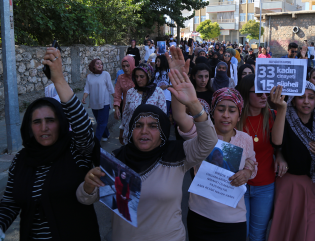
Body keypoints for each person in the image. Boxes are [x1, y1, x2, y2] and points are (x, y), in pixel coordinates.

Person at [77, 65, 218, 241]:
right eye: (138, 125)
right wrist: (88, 185)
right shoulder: (116, 159)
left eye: (153, 126)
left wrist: (194, 104)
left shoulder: (177, 155)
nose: (144, 131)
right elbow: (86, 198)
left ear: (163, 132)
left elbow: (208, 142)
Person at [0, 46, 100, 240]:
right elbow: (9, 204)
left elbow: (85, 131)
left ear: (61, 123)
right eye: (37, 122)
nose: (44, 127)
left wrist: (58, 79)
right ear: (29, 127)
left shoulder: (76, 150)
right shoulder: (21, 160)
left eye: (50, 120)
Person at [172, 87, 257, 241]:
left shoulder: (245, 139)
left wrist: (247, 173)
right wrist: (178, 87)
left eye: (232, 110)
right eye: (221, 109)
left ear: (239, 116)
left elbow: (252, 162)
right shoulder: (200, 134)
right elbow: (179, 116)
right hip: (200, 216)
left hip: (234, 220)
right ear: (212, 112)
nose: (225, 115)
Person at [268, 81, 315, 241]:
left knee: (309, 230)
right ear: (293, 100)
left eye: (311, 97)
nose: (307, 101)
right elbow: (276, 142)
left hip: (314, 185)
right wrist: (279, 154)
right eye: (301, 97)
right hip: (288, 185)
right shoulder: (284, 121)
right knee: (285, 229)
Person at [236, 75, 287, 241]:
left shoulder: (272, 116)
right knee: (240, 234)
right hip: (239, 185)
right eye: (259, 93)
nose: (264, 96)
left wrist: (279, 155)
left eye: (266, 92)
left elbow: (277, 143)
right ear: (245, 94)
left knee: (257, 235)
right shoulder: (234, 119)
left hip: (265, 185)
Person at [119, 63, 166, 144]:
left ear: (149, 76)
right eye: (136, 77)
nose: (138, 80)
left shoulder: (158, 92)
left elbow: (163, 116)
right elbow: (126, 114)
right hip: (131, 133)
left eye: (142, 76)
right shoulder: (131, 92)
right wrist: (121, 131)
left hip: (149, 136)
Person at [82, 59, 114, 142]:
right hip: (94, 103)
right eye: (97, 64)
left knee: (101, 122)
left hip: (104, 102)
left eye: (101, 64)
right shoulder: (89, 76)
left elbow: (110, 88)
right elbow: (87, 89)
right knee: (100, 121)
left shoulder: (106, 74)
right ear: (93, 66)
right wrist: (84, 97)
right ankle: (106, 134)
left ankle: (95, 142)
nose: (100, 65)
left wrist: (117, 98)